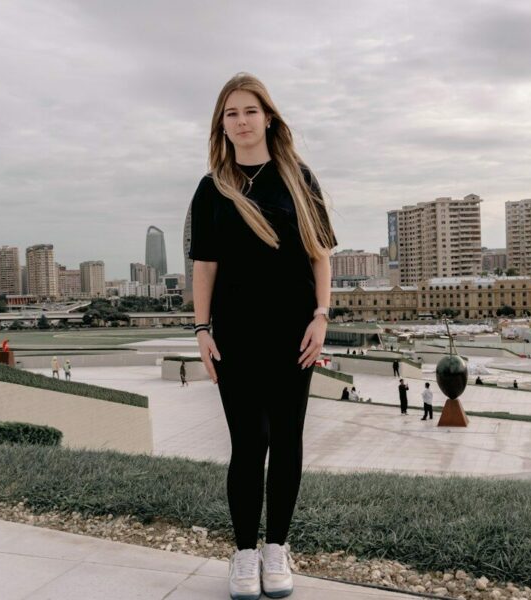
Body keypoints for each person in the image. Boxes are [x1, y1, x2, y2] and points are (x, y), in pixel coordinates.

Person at [188, 72, 338, 600]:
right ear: (221, 126)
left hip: (294, 334)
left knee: (288, 441)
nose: (242, 121)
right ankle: (244, 553)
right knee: (249, 444)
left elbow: (320, 254)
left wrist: (321, 316)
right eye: (231, 113)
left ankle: (277, 548)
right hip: (235, 335)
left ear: (269, 118)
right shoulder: (212, 189)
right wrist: (201, 329)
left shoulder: (299, 178)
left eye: (250, 110)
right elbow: (204, 266)